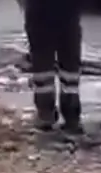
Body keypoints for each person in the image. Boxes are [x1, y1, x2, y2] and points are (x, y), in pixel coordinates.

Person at [22, 0, 84, 134]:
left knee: (42, 61)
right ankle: (71, 115)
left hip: (39, 12)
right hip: (69, 12)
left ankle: (45, 113)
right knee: (69, 62)